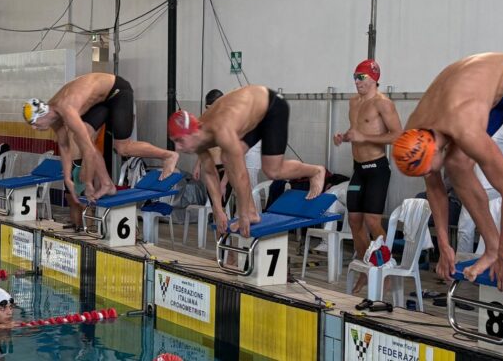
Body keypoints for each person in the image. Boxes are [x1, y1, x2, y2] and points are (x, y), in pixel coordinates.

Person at [392, 52, 503, 294]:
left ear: (435, 149)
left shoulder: (466, 130)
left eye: (431, 169)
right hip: (481, 90)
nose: (432, 175)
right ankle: (489, 247)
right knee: (457, 164)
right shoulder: (414, 132)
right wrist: (445, 246)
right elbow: (434, 189)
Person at [168, 85, 326, 237]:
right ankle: (251, 212)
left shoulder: (221, 131)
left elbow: (241, 174)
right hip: (252, 115)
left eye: (179, 140)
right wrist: (217, 209)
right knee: (227, 157)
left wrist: (242, 214)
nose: (178, 147)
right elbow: (209, 172)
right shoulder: (198, 136)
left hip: (271, 107)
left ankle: (316, 171)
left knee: (272, 171)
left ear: (193, 133)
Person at [24, 73, 179, 202]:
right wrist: (67, 178)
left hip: (118, 92)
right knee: (81, 137)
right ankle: (107, 184)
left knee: (122, 148)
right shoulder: (54, 115)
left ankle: (168, 156)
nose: (34, 128)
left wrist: (88, 183)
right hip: (102, 100)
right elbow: (64, 146)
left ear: (42, 114)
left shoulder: (67, 109)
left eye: (34, 123)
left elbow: (89, 150)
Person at [333, 60, 402, 292]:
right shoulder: (353, 103)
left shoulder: (383, 103)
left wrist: (364, 138)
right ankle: (366, 267)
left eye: (361, 77)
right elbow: (358, 130)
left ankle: (384, 268)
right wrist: (344, 137)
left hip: (377, 169)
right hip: (359, 170)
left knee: (373, 221)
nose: (356, 82)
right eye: (354, 77)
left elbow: (397, 135)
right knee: (354, 220)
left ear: (374, 78)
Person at [191, 89, 233, 208]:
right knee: (215, 208)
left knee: (220, 207)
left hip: (225, 170)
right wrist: (197, 165)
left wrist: (224, 182)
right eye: (207, 108)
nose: (209, 111)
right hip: (210, 169)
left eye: (211, 108)